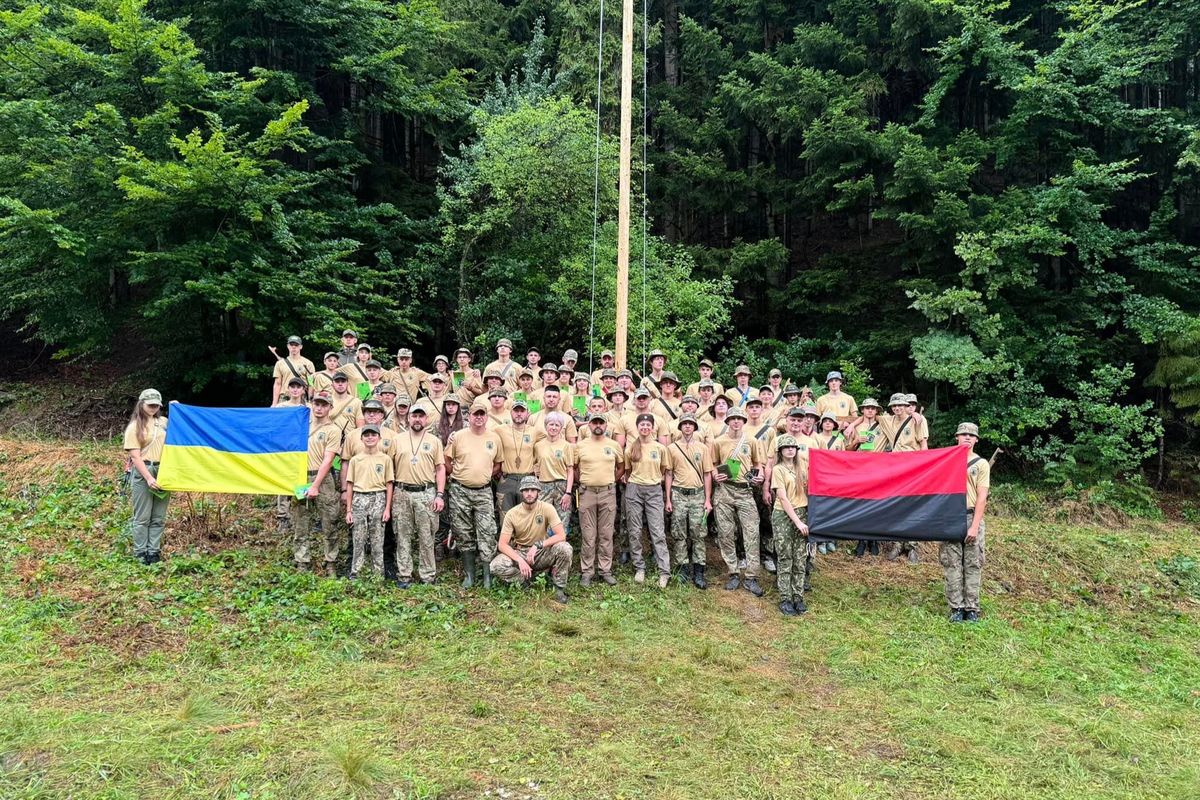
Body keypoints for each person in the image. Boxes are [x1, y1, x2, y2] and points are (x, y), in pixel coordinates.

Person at [444, 405, 504, 588]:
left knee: (487, 531)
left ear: (486, 417)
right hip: (460, 491)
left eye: (482, 414)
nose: (478, 417)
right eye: (475, 414)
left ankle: (487, 576)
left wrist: (484, 474)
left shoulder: (494, 438)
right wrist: (460, 475)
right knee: (463, 532)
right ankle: (469, 575)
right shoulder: (458, 436)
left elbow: (498, 464)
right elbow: (446, 460)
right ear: (468, 416)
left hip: (484, 491)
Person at [490, 476, 573, 604]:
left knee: (565, 548)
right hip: (520, 552)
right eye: (526, 490)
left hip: (541, 552)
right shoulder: (512, 513)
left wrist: (538, 545)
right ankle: (524, 582)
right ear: (521, 492)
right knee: (495, 566)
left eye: (533, 490)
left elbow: (561, 535)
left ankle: (559, 588)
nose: (529, 494)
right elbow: (502, 544)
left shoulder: (547, 508)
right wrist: (519, 560)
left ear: (538, 492)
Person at [710, 406, 765, 596]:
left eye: (739, 419)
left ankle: (751, 576)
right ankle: (733, 572)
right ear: (727, 421)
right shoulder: (718, 442)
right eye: (732, 419)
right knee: (725, 532)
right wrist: (717, 475)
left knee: (751, 532)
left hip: (745, 491)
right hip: (725, 490)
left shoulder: (751, 440)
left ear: (744, 421)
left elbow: (758, 464)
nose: (736, 422)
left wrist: (759, 476)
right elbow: (714, 464)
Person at [391, 403, 446, 588]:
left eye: (421, 416)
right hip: (402, 492)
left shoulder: (434, 441)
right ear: (409, 417)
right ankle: (404, 575)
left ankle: (428, 575)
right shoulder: (397, 440)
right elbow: (389, 467)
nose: (417, 419)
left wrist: (439, 494)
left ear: (426, 419)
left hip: (426, 493)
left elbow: (440, 469)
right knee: (402, 536)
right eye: (414, 415)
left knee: (427, 536)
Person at [942, 423, 990, 622]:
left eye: (971, 435)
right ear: (957, 437)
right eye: (963, 434)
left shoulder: (981, 464)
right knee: (951, 563)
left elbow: (982, 497)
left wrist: (974, 525)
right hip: (950, 517)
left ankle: (971, 608)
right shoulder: (946, 460)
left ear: (976, 439)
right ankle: (956, 608)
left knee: (973, 564)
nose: (967, 437)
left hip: (971, 515)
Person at [294, 391, 342, 576]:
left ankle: (331, 561)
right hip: (301, 477)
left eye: (324, 405)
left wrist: (315, 485)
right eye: (317, 404)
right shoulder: (301, 425)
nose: (319, 408)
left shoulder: (333, 429)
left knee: (329, 521)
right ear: (312, 405)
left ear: (330, 407)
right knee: (301, 521)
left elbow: (328, 459)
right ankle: (302, 561)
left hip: (323, 480)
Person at [664, 413, 713, 588]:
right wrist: (668, 499)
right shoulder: (672, 448)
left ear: (694, 427)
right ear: (680, 427)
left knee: (699, 533)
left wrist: (708, 500)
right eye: (684, 424)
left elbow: (708, 474)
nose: (687, 427)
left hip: (698, 494)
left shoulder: (703, 448)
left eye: (690, 424)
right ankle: (682, 567)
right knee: (679, 533)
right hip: (678, 494)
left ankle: (699, 570)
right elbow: (668, 474)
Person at [623, 413, 672, 588]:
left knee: (657, 531)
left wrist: (667, 497)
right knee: (634, 531)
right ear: (638, 427)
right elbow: (627, 472)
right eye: (641, 425)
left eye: (647, 425)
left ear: (652, 427)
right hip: (634, 489)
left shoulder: (660, 448)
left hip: (654, 490)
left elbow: (665, 471)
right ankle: (639, 568)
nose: (645, 428)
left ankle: (664, 571)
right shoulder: (630, 448)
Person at [576, 412, 624, 586]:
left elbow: (621, 467)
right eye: (594, 422)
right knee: (588, 534)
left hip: (607, 493)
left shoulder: (613, 445)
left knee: (606, 533)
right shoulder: (580, 446)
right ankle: (587, 571)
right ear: (589, 425)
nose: (598, 425)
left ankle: (605, 570)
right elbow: (574, 468)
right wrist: (583, 482)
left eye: (601, 423)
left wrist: (610, 481)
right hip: (586, 493)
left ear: (606, 425)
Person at [124, 388, 170, 565]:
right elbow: (135, 456)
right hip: (145, 470)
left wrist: (178, 409)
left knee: (158, 516)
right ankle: (141, 553)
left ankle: (154, 552)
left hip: (163, 470)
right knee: (142, 517)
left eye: (156, 405)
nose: (153, 408)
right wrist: (149, 478)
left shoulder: (163, 422)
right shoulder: (134, 427)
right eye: (150, 404)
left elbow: (183, 428)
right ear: (141, 404)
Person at [343, 424, 394, 579]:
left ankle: (378, 574)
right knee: (358, 538)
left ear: (379, 438)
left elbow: (389, 484)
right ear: (361, 438)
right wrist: (349, 510)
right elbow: (350, 484)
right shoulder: (355, 460)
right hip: (359, 497)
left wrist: (387, 508)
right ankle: (356, 572)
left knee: (378, 539)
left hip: (378, 497)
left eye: (373, 435)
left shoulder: (385, 459)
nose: (370, 438)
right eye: (366, 435)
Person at [770, 436, 811, 616]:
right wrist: (798, 521)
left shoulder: (802, 468)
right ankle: (785, 598)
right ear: (780, 451)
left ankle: (798, 596)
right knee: (786, 557)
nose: (790, 450)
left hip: (802, 512)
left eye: (793, 447)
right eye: (786, 447)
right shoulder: (778, 469)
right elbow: (783, 498)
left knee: (800, 558)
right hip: (784, 516)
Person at [533, 412, 576, 536]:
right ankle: (543, 551)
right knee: (542, 520)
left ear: (561, 428)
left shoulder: (567, 446)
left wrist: (568, 492)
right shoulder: (538, 446)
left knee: (562, 521)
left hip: (561, 486)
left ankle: (561, 550)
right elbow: (535, 464)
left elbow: (570, 470)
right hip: (543, 486)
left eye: (557, 425)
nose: (553, 427)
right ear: (546, 426)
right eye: (551, 424)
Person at [495, 399, 536, 516]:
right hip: (507, 480)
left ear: (527, 413)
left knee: (527, 517)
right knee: (506, 517)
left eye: (522, 411)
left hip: (527, 479)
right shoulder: (500, 429)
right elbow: (482, 433)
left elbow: (552, 438)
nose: (519, 414)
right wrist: (453, 435)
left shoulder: (534, 431)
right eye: (516, 410)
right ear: (511, 413)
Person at [268, 335, 315, 405]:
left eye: (296, 345)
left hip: (301, 398)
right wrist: (274, 403)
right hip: (284, 398)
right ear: (288, 346)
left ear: (301, 347)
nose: (294, 347)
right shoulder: (280, 363)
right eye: (291, 344)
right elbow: (277, 384)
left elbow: (311, 383)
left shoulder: (308, 363)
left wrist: (310, 401)